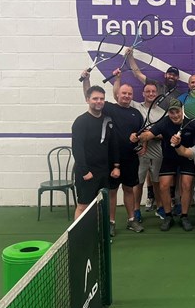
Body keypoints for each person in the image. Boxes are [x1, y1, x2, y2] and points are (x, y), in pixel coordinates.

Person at [81, 71, 143, 235]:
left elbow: (142, 135)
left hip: (131, 159)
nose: (126, 96)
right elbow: (90, 96)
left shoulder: (136, 114)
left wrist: (141, 142)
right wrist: (86, 80)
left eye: (129, 94)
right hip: (112, 161)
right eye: (124, 93)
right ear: (117, 94)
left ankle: (131, 220)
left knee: (129, 190)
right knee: (112, 192)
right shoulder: (108, 108)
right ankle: (111, 223)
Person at [134, 100, 195, 232]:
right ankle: (168, 216)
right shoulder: (165, 122)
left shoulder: (191, 122)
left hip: (186, 157)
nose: (175, 115)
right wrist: (138, 137)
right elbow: (148, 135)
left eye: (177, 112)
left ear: (182, 111)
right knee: (163, 185)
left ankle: (184, 216)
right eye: (171, 112)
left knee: (186, 184)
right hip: (169, 158)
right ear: (168, 113)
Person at [71, 85, 120, 220]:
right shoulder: (80, 122)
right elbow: (77, 148)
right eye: (95, 98)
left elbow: (113, 145)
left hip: (104, 171)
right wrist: (85, 171)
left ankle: (98, 235)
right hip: (87, 173)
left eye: (102, 99)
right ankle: (80, 238)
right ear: (87, 100)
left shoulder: (107, 120)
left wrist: (116, 166)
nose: (99, 101)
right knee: (83, 206)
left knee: (101, 205)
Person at [124, 78, 166, 223]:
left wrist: (150, 135)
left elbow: (163, 134)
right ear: (143, 93)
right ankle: (136, 210)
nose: (150, 93)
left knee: (156, 182)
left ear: (157, 93)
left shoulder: (162, 112)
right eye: (147, 91)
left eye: (153, 91)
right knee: (138, 183)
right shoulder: (136, 106)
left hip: (157, 152)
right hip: (139, 153)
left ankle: (160, 207)